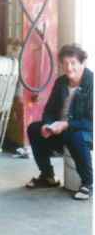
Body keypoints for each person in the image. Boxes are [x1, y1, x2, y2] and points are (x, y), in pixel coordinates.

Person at [26, 44, 93, 200]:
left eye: (73, 63)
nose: (69, 68)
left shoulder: (92, 83)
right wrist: (47, 125)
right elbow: (49, 110)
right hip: (61, 129)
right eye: (65, 63)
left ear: (82, 63)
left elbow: (91, 121)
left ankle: (88, 183)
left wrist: (67, 124)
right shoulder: (60, 82)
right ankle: (48, 176)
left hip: (85, 131)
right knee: (34, 129)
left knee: (76, 136)